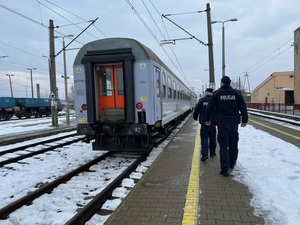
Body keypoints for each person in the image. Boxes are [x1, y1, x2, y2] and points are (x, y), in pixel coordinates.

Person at [205, 76, 248, 177]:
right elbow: (243, 107)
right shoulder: (236, 93)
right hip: (234, 123)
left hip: (222, 123)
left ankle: (224, 169)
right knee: (233, 144)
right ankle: (232, 164)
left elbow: (209, 107)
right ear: (229, 83)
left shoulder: (217, 93)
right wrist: (244, 120)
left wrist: (207, 119)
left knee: (224, 146)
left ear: (222, 83)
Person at [193, 88, 217, 162]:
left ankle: (204, 155)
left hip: (204, 124)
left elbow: (197, 110)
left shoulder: (201, 100)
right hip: (212, 123)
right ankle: (212, 153)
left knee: (204, 139)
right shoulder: (215, 100)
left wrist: (195, 117)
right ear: (212, 93)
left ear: (205, 93)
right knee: (213, 139)